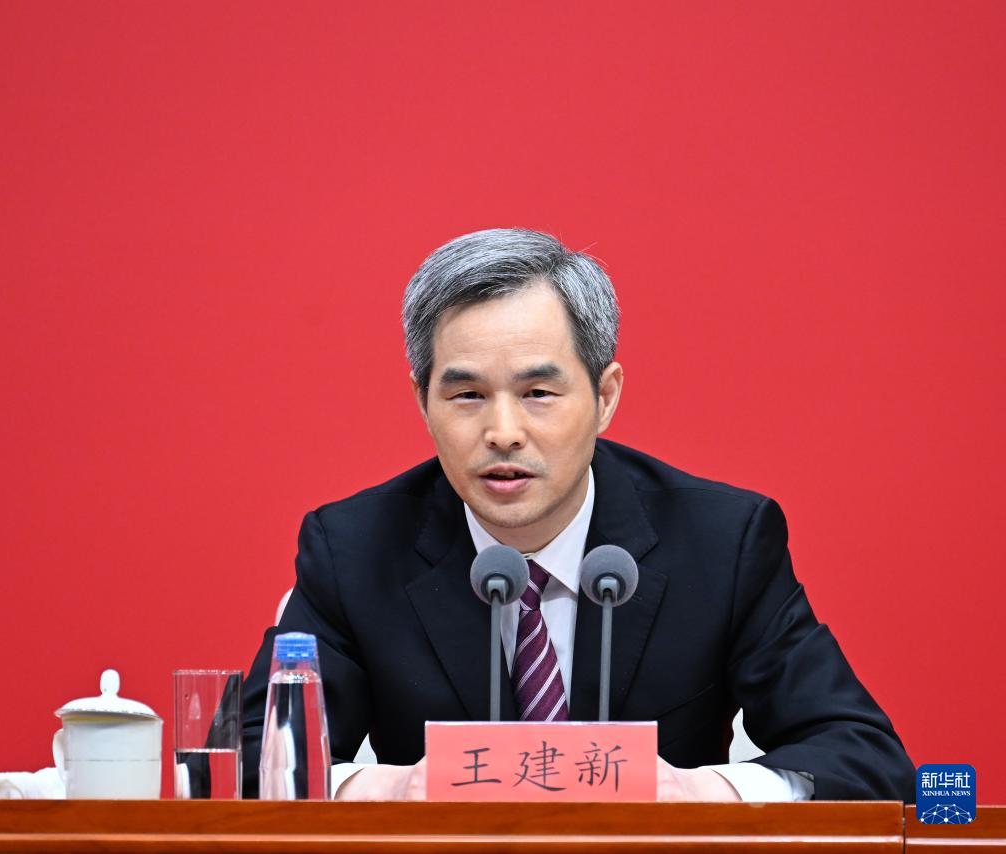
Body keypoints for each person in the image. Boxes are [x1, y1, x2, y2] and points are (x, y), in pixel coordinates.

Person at [241, 228, 915, 801]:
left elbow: (863, 757)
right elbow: (248, 757)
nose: (503, 433)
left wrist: (696, 791)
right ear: (423, 402)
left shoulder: (721, 543)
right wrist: (393, 788)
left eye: (538, 392)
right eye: (467, 396)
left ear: (604, 396)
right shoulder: (354, 548)